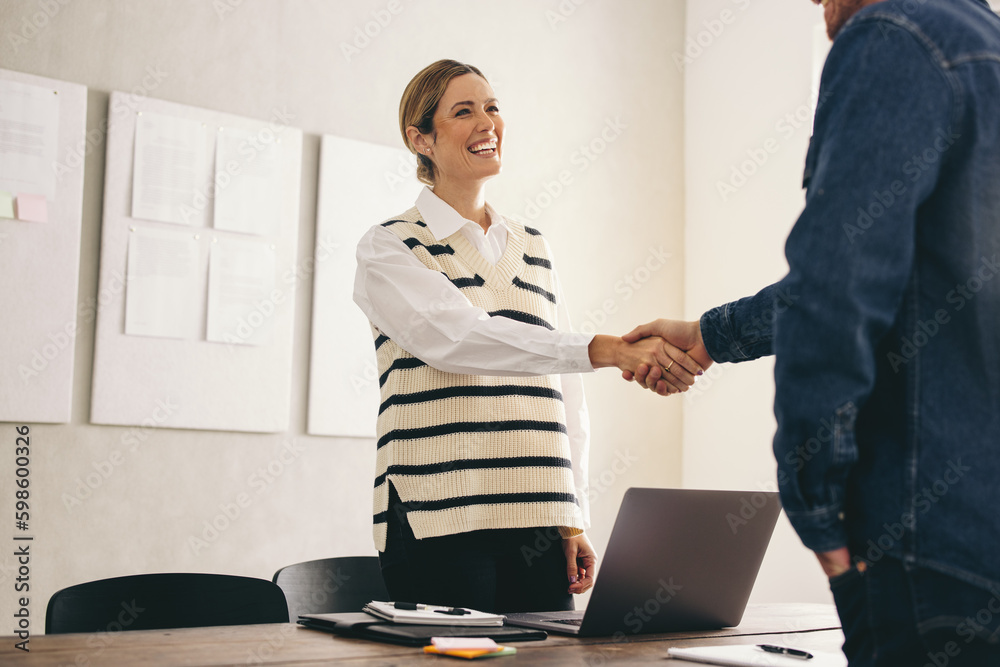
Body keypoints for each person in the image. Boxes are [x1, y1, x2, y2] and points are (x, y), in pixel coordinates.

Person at [625, 1, 1000, 664]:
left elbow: (835, 293)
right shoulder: (983, 48)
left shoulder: (891, 38)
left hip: (928, 548)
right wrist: (710, 335)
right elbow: (908, 283)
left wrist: (821, 516)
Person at [353, 59, 703, 613]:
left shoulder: (533, 246)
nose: (487, 122)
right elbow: (460, 339)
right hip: (442, 514)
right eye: (463, 111)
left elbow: (565, 391)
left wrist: (572, 515)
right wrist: (605, 349)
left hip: (539, 515)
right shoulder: (389, 247)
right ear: (419, 138)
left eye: (492, 107)